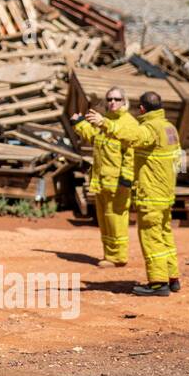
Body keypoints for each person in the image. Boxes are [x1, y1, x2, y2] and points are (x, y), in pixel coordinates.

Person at [90, 90, 181, 297]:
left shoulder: (150, 128)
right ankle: (172, 277)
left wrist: (104, 123)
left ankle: (158, 283)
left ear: (141, 108)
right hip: (166, 193)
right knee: (165, 235)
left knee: (151, 237)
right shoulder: (169, 128)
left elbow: (132, 136)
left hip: (151, 194)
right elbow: (179, 161)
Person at [71, 88, 139, 269]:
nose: (113, 102)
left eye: (117, 99)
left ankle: (118, 256)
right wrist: (79, 123)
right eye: (109, 99)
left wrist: (126, 178)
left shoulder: (128, 124)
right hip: (103, 182)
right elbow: (94, 138)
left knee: (116, 220)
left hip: (118, 184)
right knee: (105, 220)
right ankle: (109, 255)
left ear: (125, 101)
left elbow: (131, 153)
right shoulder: (105, 122)